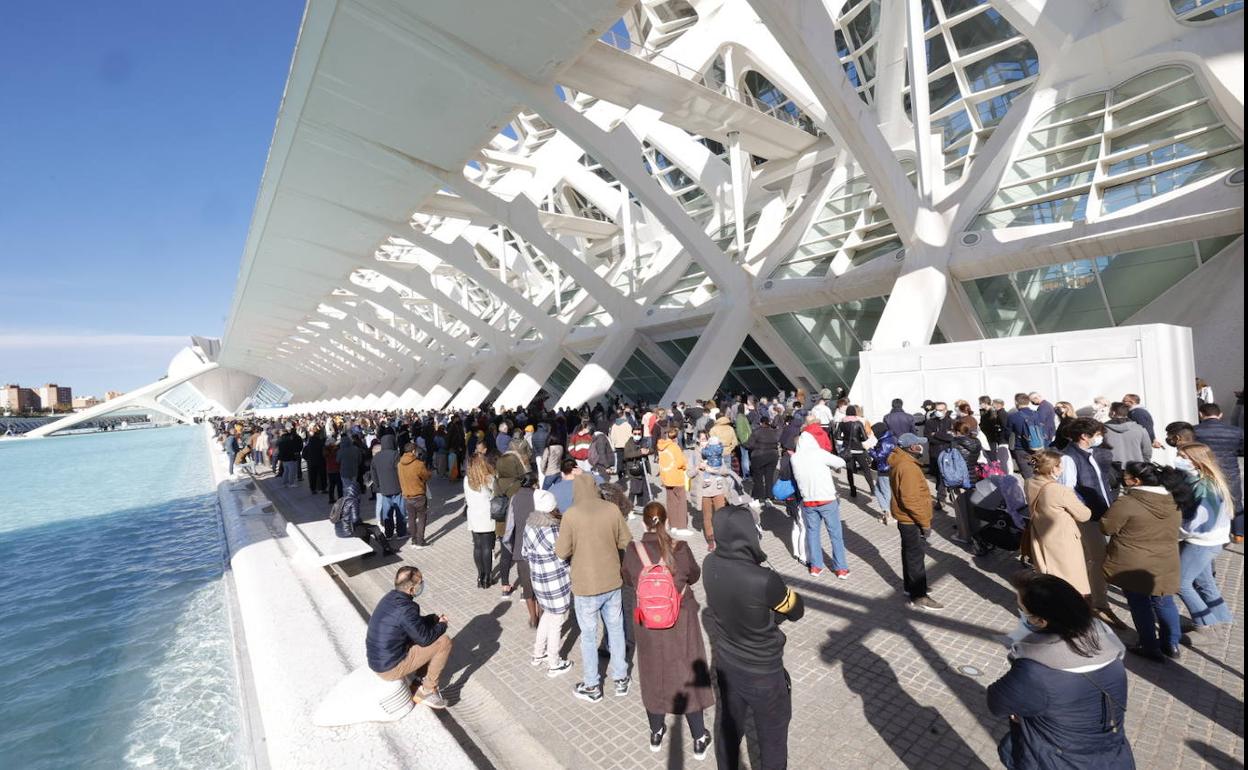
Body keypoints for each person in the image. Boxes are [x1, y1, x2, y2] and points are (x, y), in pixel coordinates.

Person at [986, 571, 1132, 770]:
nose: (1020, 614)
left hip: (1056, 760)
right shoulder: (1111, 648)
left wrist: (1022, 647)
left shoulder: (1034, 671)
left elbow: (996, 702)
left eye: (1022, 609)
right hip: (1114, 757)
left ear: (1040, 621)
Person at [703, 505, 804, 770]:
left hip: (727, 664)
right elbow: (796, 611)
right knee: (772, 740)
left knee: (728, 728)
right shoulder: (764, 579)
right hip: (764, 673)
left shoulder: (709, 563)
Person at [621, 503, 714, 759]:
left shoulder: (633, 550)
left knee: (653, 673)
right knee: (687, 673)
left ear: (644, 524)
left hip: (647, 624)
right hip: (681, 620)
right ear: (665, 523)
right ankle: (698, 737)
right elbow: (693, 575)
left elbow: (627, 578)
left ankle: (655, 732)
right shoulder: (680, 548)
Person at [555, 474, 633, 702]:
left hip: (585, 585)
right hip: (612, 581)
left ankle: (592, 685)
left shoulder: (571, 515)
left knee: (588, 636)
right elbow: (625, 541)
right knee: (616, 629)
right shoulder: (611, 510)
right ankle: (621, 679)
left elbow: (561, 552)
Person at [1101, 461, 1188, 662]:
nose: (1124, 480)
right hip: (1165, 560)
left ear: (1136, 480)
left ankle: (1149, 645)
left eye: (1126, 478)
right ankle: (1171, 644)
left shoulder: (1127, 502)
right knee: (1164, 601)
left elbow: (1107, 527)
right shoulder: (1173, 499)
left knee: (1139, 604)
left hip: (1134, 562)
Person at [365, 565, 451, 710]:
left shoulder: (390, 598)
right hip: (389, 668)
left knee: (427, 634)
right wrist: (442, 625)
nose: (422, 585)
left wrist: (432, 619)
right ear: (411, 589)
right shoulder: (407, 608)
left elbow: (411, 626)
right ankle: (428, 691)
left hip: (378, 661)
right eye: (420, 583)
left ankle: (418, 681)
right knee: (444, 642)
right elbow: (424, 639)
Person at [1174, 443, 1234, 630]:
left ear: (1196, 461)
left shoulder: (1204, 486)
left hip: (1201, 542)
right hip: (1209, 540)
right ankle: (1223, 619)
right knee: (1205, 583)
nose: (1178, 459)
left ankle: (1205, 623)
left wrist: (1177, 533)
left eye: (1182, 457)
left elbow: (1199, 523)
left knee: (1180, 583)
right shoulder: (1202, 479)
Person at [1025, 451, 1093, 596]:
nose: (1062, 468)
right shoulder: (1059, 490)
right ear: (1053, 468)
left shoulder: (1030, 483)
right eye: (1060, 465)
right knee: (1071, 582)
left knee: (1050, 578)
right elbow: (1084, 515)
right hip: (1064, 542)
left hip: (1040, 536)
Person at [522, 489, 574, 676]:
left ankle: (538, 654)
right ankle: (554, 662)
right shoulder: (553, 530)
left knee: (547, 616)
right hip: (556, 582)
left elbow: (524, 553)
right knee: (557, 620)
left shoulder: (529, 525)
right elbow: (564, 555)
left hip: (538, 580)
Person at [890, 433, 942, 610]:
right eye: (919, 445)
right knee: (915, 557)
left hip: (906, 519)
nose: (922, 447)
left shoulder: (902, 461)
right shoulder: (908, 467)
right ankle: (919, 596)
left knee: (910, 554)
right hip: (911, 520)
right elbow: (910, 499)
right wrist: (925, 523)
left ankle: (911, 587)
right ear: (912, 448)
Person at [791, 431, 849, 578]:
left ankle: (816, 567)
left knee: (812, 533)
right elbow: (841, 462)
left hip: (808, 501)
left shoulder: (795, 458)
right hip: (827, 499)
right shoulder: (820, 453)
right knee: (835, 534)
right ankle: (841, 568)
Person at [1193, 402, 1244, 542]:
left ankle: (1208, 528)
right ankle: (1238, 533)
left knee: (1204, 500)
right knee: (1235, 501)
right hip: (1230, 470)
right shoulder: (1236, 431)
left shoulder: (1194, 431)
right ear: (1220, 415)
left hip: (1205, 471)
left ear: (1201, 414)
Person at [464, 455, 497, 588]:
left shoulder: (467, 479)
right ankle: (488, 577)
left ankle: (480, 575)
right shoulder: (488, 479)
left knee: (477, 546)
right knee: (487, 547)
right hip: (486, 515)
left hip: (473, 515)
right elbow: (494, 494)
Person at [835, 406, 874, 500]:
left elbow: (837, 436)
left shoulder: (841, 423)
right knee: (866, 470)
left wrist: (846, 439)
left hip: (847, 450)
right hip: (858, 449)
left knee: (849, 471)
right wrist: (857, 439)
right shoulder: (858, 423)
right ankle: (872, 489)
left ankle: (852, 490)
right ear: (855, 413)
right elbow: (864, 438)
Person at [398, 442, 432, 548]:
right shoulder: (418, 464)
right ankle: (420, 541)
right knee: (421, 518)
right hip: (419, 495)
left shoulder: (399, 464)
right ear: (413, 451)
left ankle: (413, 540)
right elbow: (426, 476)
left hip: (407, 495)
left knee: (411, 519)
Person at [1006, 394, 1048, 480]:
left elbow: (1007, 434)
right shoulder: (1037, 414)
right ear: (1028, 402)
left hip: (1021, 449)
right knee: (1040, 473)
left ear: (1016, 402)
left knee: (1028, 476)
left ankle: (1030, 491)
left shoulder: (1013, 417)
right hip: (1039, 447)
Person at [372, 434, 406, 540]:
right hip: (397, 487)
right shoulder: (395, 454)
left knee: (387, 513)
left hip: (384, 489)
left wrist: (378, 486)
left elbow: (373, 473)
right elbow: (400, 471)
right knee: (400, 512)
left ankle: (389, 534)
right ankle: (401, 533)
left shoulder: (376, 457)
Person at [1102, 403, 1152, 467]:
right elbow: (1147, 451)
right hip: (1135, 468)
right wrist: (1144, 466)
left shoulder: (1102, 430)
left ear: (1113, 413)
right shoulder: (1140, 429)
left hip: (1112, 469)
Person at [744, 415, 780, 502]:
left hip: (759, 456)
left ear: (760, 423)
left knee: (758, 477)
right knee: (769, 477)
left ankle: (759, 495)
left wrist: (743, 444)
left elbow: (750, 444)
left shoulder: (756, 432)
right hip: (773, 456)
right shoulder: (774, 432)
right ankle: (769, 495)